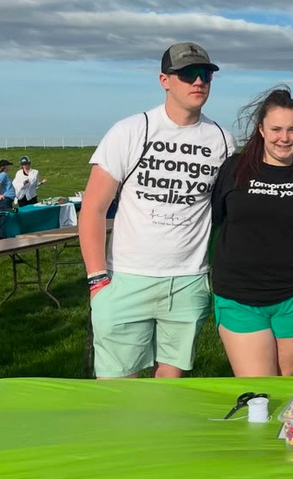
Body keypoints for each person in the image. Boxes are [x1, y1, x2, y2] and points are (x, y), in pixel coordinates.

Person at [79, 42, 234, 379]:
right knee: (119, 388)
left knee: (170, 388)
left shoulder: (221, 138)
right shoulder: (130, 130)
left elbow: (226, 211)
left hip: (188, 280)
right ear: (165, 80)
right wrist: (97, 282)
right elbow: (93, 208)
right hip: (127, 277)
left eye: (205, 74)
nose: (198, 82)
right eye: (187, 74)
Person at [210, 87, 293, 377]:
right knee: (260, 392)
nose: (284, 137)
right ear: (261, 130)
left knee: (286, 384)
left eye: (292, 130)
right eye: (276, 129)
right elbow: (215, 218)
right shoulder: (234, 169)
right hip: (241, 296)